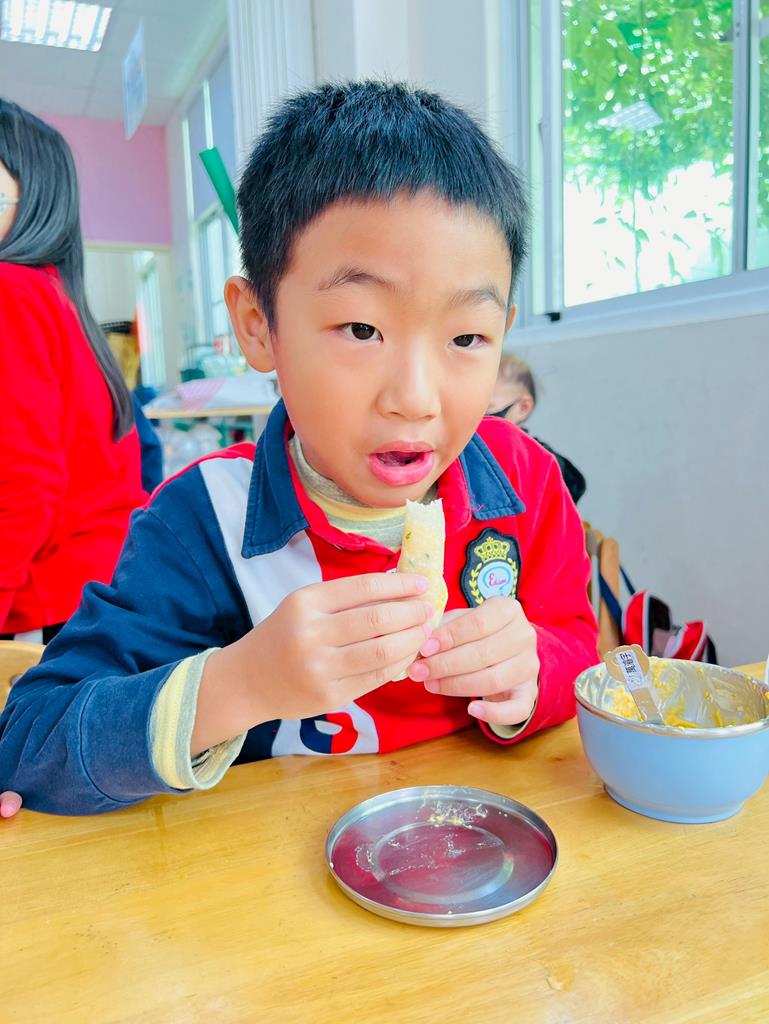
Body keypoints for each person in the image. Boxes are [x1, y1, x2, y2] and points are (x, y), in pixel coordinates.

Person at [0, 82, 598, 817]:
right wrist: (240, 684)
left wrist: (530, 673)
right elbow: (33, 742)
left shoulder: (526, 480)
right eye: (361, 330)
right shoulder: (201, 520)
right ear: (258, 325)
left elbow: (577, 646)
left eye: (467, 337)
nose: (416, 398)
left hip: (480, 842)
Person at [0, 100, 147, 816]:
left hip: (45, 601)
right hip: (91, 591)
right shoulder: (56, 297)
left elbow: (19, 487)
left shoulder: (11, 293)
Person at [488, 353, 587, 504]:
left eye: (488, 407)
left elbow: (572, 485)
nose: (477, 416)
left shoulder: (536, 455)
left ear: (523, 407)